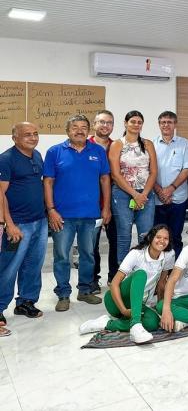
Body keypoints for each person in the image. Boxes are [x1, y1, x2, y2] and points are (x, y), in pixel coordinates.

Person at [43, 115, 112, 312]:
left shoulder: (98, 151)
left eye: (84, 127)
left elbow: (105, 180)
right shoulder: (55, 152)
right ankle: (63, 293)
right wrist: (51, 210)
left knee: (88, 255)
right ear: (68, 131)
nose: (80, 130)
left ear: (88, 130)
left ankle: (85, 290)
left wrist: (106, 208)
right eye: (75, 127)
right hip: (62, 216)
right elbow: (47, 182)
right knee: (62, 255)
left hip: (90, 215)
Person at [78, 224, 176, 343]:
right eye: (158, 237)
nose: (162, 241)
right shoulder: (136, 253)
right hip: (116, 301)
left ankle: (107, 323)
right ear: (150, 238)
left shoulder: (169, 254)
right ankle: (135, 324)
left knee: (153, 323)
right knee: (141, 274)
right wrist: (123, 310)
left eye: (166, 238)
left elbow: (161, 284)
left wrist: (162, 309)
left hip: (137, 304)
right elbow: (114, 284)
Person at [0, 122, 45, 337]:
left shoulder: (37, 156)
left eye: (35, 134)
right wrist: (9, 224)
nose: (33, 137)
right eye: (27, 134)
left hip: (39, 221)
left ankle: (26, 302)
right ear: (15, 137)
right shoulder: (6, 159)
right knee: (8, 268)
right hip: (18, 224)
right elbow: (0, 195)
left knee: (33, 265)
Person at [109, 111, 158, 267]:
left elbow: (154, 171)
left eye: (139, 122)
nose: (136, 125)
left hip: (146, 194)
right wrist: (134, 194)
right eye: (133, 121)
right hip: (123, 194)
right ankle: (123, 274)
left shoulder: (148, 144)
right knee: (124, 234)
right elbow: (115, 175)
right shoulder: (117, 144)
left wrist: (143, 194)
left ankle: (144, 270)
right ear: (125, 123)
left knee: (145, 234)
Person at [152, 111, 188, 257]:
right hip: (157, 199)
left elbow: (187, 169)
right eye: (163, 122)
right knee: (158, 237)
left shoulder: (185, 144)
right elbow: (148, 171)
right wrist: (160, 191)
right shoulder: (151, 144)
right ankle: (159, 269)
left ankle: (175, 271)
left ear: (175, 124)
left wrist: (170, 189)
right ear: (159, 124)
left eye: (169, 122)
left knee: (175, 236)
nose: (166, 125)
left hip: (178, 198)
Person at [89, 110, 118, 288]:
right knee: (91, 245)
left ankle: (114, 277)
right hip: (91, 204)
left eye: (109, 122)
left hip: (115, 203)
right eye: (101, 122)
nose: (105, 125)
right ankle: (92, 279)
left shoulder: (118, 146)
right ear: (94, 124)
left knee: (116, 241)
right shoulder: (85, 145)